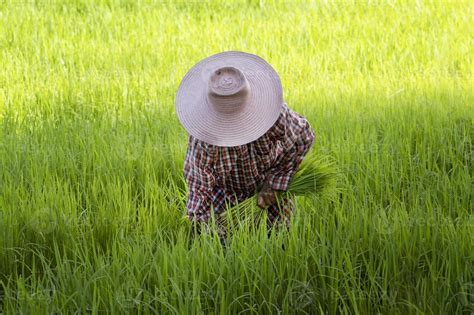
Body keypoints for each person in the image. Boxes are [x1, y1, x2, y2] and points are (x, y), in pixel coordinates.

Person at [175, 51, 315, 240]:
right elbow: (199, 182)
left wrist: (275, 183)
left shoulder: (273, 117)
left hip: (268, 186)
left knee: (279, 239)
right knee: (222, 242)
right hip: (225, 192)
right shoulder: (205, 137)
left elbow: (303, 137)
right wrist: (197, 221)